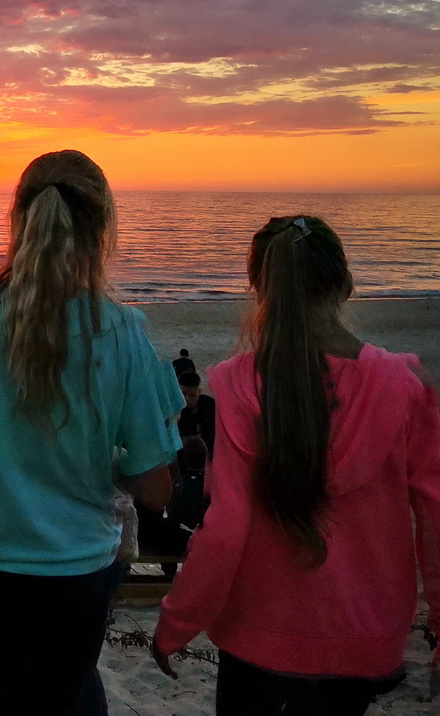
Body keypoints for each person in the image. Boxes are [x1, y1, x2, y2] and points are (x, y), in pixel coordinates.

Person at [0, 149, 182, 714]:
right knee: (71, 694)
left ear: (19, 220)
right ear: (101, 229)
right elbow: (156, 490)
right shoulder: (124, 334)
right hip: (79, 567)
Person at [153, 215, 440, 715]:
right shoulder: (404, 387)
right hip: (360, 637)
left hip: (255, 639)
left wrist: (176, 623)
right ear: (346, 285)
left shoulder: (243, 386)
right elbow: (435, 522)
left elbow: (225, 527)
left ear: (260, 291)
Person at [176, 370, 216, 456]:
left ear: (199, 392)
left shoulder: (210, 405)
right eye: (183, 394)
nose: (187, 398)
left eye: (192, 395)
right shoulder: (178, 412)